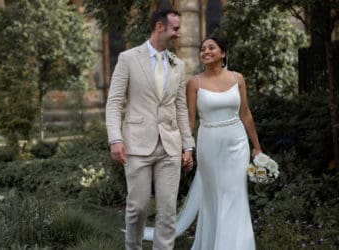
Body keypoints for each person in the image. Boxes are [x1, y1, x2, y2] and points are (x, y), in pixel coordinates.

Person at [105, 9, 196, 250]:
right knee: (138, 207)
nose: (179, 33)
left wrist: (188, 145)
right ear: (159, 27)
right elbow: (114, 102)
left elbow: (180, 107)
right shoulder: (128, 58)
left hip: (170, 145)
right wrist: (115, 139)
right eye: (175, 28)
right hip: (137, 143)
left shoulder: (179, 65)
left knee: (168, 210)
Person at [177, 37, 262, 249]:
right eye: (202, 49)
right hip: (209, 146)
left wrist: (257, 147)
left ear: (223, 53)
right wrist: (186, 149)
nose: (206, 51)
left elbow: (246, 114)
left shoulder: (238, 78)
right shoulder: (194, 83)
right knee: (214, 196)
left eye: (211, 47)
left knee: (234, 194)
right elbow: (190, 120)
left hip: (237, 143)